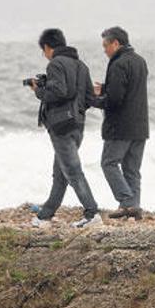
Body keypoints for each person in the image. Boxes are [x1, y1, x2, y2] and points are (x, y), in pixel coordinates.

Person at [29, 28, 102, 229]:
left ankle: (92, 213)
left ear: (47, 47)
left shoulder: (55, 64)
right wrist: (75, 111)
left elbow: (58, 91)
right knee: (60, 173)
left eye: (43, 51)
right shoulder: (81, 66)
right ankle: (45, 216)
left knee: (72, 171)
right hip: (78, 125)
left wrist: (39, 90)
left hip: (61, 127)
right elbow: (90, 99)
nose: (44, 55)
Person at [92, 26, 149, 220]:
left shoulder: (118, 64)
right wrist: (107, 88)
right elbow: (130, 89)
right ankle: (133, 210)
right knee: (132, 170)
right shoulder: (140, 61)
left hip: (120, 127)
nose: (105, 50)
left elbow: (114, 101)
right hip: (140, 126)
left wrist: (91, 100)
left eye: (106, 46)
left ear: (116, 43)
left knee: (108, 163)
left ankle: (127, 202)